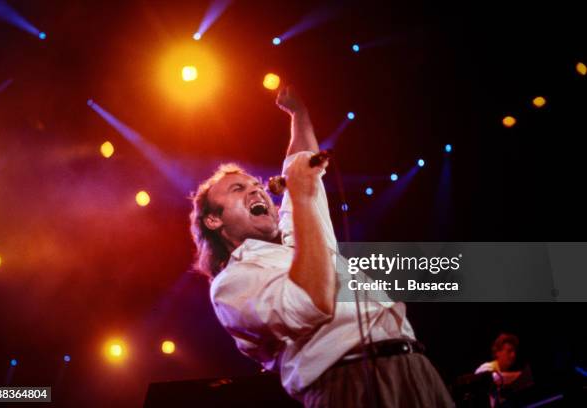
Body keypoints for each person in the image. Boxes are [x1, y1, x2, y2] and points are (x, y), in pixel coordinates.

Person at [189, 86, 454, 407]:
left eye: (258, 184)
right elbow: (311, 301)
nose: (257, 190)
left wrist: (298, 114)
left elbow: (301, 164)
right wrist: (300, 195)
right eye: (238, 188)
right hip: (350, 381)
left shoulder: (294, 237)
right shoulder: (232, 283)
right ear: (213, 220)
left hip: (415, 366)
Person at [475, 333, 530, 407]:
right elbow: (493, 379)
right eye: (509, 351)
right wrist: (523, 375)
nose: (513, 355)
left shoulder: (507, 374)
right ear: (497, 352)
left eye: (514, 351)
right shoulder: (486, 367)